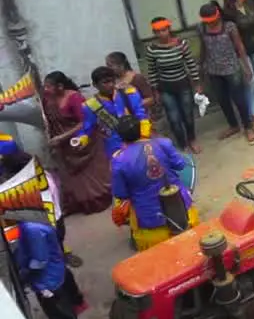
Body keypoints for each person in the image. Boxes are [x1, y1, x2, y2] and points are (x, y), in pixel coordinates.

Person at [12, 217, 90, 319]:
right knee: (57, 316)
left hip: (49, 281)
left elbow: (39, 261)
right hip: (51, 277)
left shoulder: (32, 229)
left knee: (63, 317)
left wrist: (23, 275)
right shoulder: (31, 222)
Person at [110, 115, 195, 252]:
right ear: (140, 129)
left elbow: (121, 194)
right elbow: (180, 165)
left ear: (120, 137)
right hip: (181, 210)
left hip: (150, 223)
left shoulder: (119, 160)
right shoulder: (163, 143)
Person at [41, 72, 112, 215]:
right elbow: (49, 120)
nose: (46, 89)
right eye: (45, 86)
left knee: (91, 174)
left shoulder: (74, 98)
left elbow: (85, 122)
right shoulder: (47, 100)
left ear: (60, 87)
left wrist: (62, 137)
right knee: (70, 176)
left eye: (49, 86)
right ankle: (78, 203)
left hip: (83, 140)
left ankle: (98, 199)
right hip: (64, 147)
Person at [195, 2, 254, 143]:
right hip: (213, 69)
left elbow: (239, 47)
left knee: (239, 99)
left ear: (217, 15)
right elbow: (203, 49)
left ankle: (248, 127)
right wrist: (201, 70)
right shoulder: (200, 28)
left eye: (212, 20)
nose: (210, 24)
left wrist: (246, 67)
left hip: (231, 68)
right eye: (207, 21)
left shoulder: (229, 26)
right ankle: (233, 125)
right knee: (222, 100)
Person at [143, 18, 201, 153]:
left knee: (187, 115)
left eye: (164, 30)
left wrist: (197, 83)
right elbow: (152, 71)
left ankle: (192, 139)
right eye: (158, 32)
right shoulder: (152, 49)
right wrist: (155, 91)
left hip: (183, 85)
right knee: (174, 118)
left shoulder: (181, 44)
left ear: (169, 29)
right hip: (165, 88)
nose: (162, 34)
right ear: (154, 33)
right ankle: (182, 143)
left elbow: (191, 64)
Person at [77, 65, 150, 158]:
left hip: (139, 139)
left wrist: (144, 137)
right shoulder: (91, 105)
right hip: (115, 146)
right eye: (105, 82)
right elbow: (87, 127)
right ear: (95, 85)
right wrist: (81, 139)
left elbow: (141, 115)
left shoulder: (129, 93)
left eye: (112, 81)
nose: (111, 84)